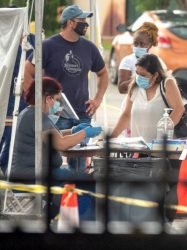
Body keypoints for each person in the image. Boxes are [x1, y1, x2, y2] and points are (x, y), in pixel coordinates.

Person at [23, 4, 108, 171]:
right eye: (82, 20)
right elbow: (27, 71)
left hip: (83, 114)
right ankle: (52, 194)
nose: (86, 24)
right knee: (51, 160)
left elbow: (103, 74)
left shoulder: (89, 48)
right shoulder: (48, 46)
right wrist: (38, 104)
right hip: (56, 114)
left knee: (79, 164)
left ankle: (75, 196)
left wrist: (97, 100)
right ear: (70, 23)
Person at [8, 77, 102, 219]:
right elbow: (60, 143)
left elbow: (53, 135)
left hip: (35, 173)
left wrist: (73, 130)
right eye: (57, 100)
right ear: (48, 98)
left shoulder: (30, 113)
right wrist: (85, 133)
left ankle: (55, 214)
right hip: (33, 176)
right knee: (89, 184)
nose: (58, 105)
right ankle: (70, 221)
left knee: (77, 179)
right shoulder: (36, 116)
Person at [111, 54, 184, 221]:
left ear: (156, 74)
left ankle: (167, 224)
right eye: (136, 73)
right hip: (140, 149)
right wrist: (111, 137)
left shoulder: (167, 84)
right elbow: (126, 115)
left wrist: (162, 136)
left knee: (167, 191)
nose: (138, 77)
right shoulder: (135, 87)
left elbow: (179, 110)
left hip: (165, 149)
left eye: (143, 74)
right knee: (142, 191)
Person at [0, 33, 35, 176]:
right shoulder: (6, 39)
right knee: (7, 140)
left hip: (24, 102)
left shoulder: (33, 40)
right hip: (7, 100)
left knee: (16, 143)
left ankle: (9, 178)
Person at [117, 22, 164, 94]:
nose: (138, 47)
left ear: (150, 45)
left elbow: (163, 84)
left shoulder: (156, 61)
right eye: (135, 43)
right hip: (133, 102)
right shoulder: (127, 61)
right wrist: (138, 79)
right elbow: (121, 88)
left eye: (142, 44)